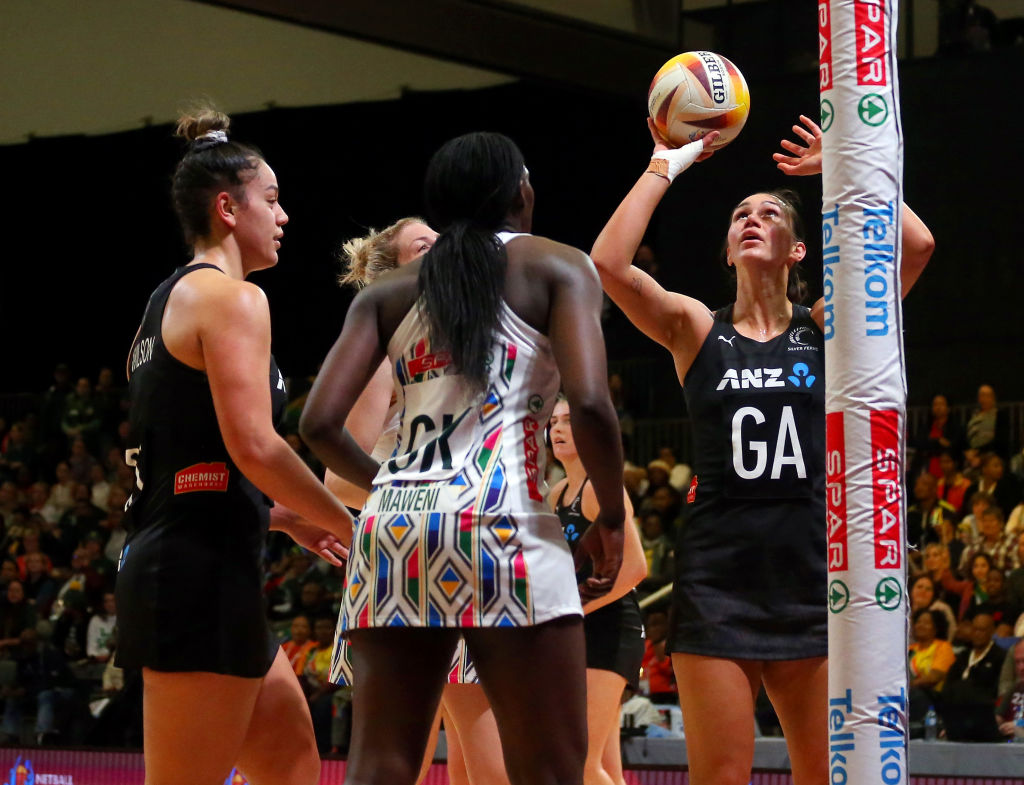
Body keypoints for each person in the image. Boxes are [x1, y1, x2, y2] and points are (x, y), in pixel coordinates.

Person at [589, 115, 935, 785]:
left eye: (771, 213)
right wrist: (665, 162)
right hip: (718, 581)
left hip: (810, 580)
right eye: (741, 214)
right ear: (726, 249)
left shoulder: (829, 328)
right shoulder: (695, 328)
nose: (752, 218)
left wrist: (844, 170)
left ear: (798, 250)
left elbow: (916, 246)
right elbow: (608, 263)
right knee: (720, 775)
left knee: (822, 775)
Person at [300, 131, 625, 785]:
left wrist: (392, 480)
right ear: (521, 193)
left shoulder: (385, 293)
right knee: (552, 767)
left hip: (395, 527)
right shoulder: (558, 266)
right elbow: (590, 402)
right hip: (503, 521)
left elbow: (318, 423)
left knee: (381, 764)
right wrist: (612, 516)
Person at [115, 106, 353, 785]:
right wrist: (358, 530)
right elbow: (256, 446)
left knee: (293, 767)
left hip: (207, 559)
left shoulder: (164, 304)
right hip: (194, 575)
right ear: (227, 207)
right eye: (271, 199)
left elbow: (193, 465)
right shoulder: (232, 299)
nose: (283, 215)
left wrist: (282, 517)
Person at [326, 217, 512, 785]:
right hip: (414, 556)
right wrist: (431, 483)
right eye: (423, 245)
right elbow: (338, 484)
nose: (442, 250)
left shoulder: (460, 343)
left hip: (467, 549)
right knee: (480, 764)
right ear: (397, 272)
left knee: (468, 765)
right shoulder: (384, 350)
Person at [548, 396, 647, 785]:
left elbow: (636, 567)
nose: (556, 428)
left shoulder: (600, 488)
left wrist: (572, 608)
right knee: (606, 770)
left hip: (610, 628)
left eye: (568, 420)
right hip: (579, 630)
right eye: (553, 421)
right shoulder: (556, 494)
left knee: (582, 766)